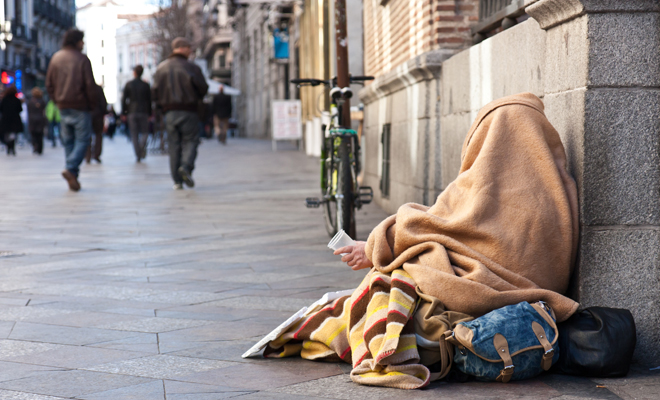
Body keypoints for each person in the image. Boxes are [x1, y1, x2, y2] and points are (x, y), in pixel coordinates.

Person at [261, 93, 580, 388]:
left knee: (390, 280)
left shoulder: (479, 183)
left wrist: (373, 247)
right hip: (528, 298)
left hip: (478, 292)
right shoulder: (559, 194)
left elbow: (427, 225)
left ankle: (355, 333)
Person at [152, 37, 208, 190]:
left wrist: (160, 108)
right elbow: (203, 88)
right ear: (182, 48)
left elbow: (154, 92)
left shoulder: (161, 68)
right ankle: (186, 166)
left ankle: (177, 181)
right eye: (189, 48)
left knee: (174, 144)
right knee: (191, 140)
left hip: (169, 111)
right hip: (188, 109)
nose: (191, 51)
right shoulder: (192, 67)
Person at [46, 28, 97, 192]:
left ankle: (72, 174)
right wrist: (92, 104)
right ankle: (71, 168)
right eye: (82, 40)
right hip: (80, 106)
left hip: (62, 106)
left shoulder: (56, 58)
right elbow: (90, 85)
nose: (83, 43)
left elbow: (49, 84)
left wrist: (57, 100)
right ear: (76, 41)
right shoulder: (82, 59)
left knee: (68, 141)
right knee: (82, 140)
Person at [121, 65, 152, 162]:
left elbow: (124, 99)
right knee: (144, 132)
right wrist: (150, 113)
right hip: (143, 111)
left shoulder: (129, 84)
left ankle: (138, 153)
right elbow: (149, 100)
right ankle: (141, 148)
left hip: (132, 111)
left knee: (134, 134)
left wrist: (124, 112)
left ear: (134, 72)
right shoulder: (145, 85)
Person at [85, 83, 107, 163]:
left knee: (87, 135)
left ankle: (88, 155)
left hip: (87, 114)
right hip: (98, 114)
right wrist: (103, 113)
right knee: (98, 135)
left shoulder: (84, 88)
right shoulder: (98, 88)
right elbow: (103, 102)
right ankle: (96, 154)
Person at [0, 86, 24, 156]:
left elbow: (1, 109)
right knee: (13, 134)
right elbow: (20, 109)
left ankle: (8, 147)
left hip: (6, 119)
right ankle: (12, 148)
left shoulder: (4, 100)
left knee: (7, 134)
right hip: (14, 120)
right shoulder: (16, 100)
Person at [27, 87, 47, 155]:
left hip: (32, 119)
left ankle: (35, 146)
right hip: (40, 119)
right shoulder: (42, 101)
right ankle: (39, 149)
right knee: (40, 135)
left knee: (33, 134)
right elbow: (44, 111)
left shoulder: (31, 101)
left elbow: (29, 111)